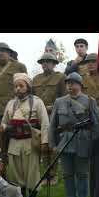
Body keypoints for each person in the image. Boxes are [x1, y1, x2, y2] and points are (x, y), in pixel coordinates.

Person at [48, 72, 99, 197]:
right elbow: (53, 124)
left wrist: (95, 145)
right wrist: (52, 144)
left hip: (83, 142)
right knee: (67, 175)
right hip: (65, 142)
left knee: (82, 174)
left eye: (73, 83)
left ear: (80, 85)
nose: (70, 86)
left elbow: (96, 125)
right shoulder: (59, 102)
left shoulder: (90, 101)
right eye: (68, 83)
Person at [0, 73, 49, 197]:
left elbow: (45, 123)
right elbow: (5, 122)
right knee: (15, 174)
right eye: (16, 86)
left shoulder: (37, 102)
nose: (18, 89)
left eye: (21, 86)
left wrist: (44, 142)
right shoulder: (10, 104)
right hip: (14, 143)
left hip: (30, 142)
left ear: (28, 87)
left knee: (31, 173)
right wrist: (2, 127)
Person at [32, 52, 67, 186]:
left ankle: (53, 175)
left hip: (54, 115)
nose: (45, 64)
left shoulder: (60, 77)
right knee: (42, 146)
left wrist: (53, 108)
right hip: (39, 117)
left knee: (52, 146)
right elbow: (32, 98)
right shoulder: (35, 79)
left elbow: (64, 97)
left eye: (48, 61)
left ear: (54, 64)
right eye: (43, 62)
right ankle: (45, 174)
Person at [0, 42, 28, 118]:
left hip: (14, 110)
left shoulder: (20, 67)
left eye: (3, 51)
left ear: (9, 52)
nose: (0, 53)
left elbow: (26, 90)